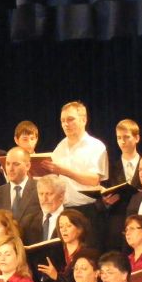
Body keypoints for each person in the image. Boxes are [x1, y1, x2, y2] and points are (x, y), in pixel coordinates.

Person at [43, 101, 109, 249]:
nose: (66, 124)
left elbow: (94, 179)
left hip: (89, 210)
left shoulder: (95, 146)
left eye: (70, 119)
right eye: (62, 121)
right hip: (65, 210)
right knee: (67, 255)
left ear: (83, 120)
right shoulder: (60, 147)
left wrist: (64, 171)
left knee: (89, 253)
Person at [99, 119, 142, 250]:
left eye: (126, 137)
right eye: (119, 138)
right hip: (117, 226)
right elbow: (100, 200)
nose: (122, 142)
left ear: (137, 138)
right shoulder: (110, 167)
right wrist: (106, 201)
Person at [0, 147, 43, 244]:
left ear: (28, 166)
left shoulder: (40, 190)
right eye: (8, 164)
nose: (10, 169)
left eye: (16, 164)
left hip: (33, 247)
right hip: (5, 248)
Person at [37, 209, 91, 282]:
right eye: (61, 226)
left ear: (79, 229)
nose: (63, 230)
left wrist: (56, 276)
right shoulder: (55, 251)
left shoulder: (88, 254)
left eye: (68, 226)